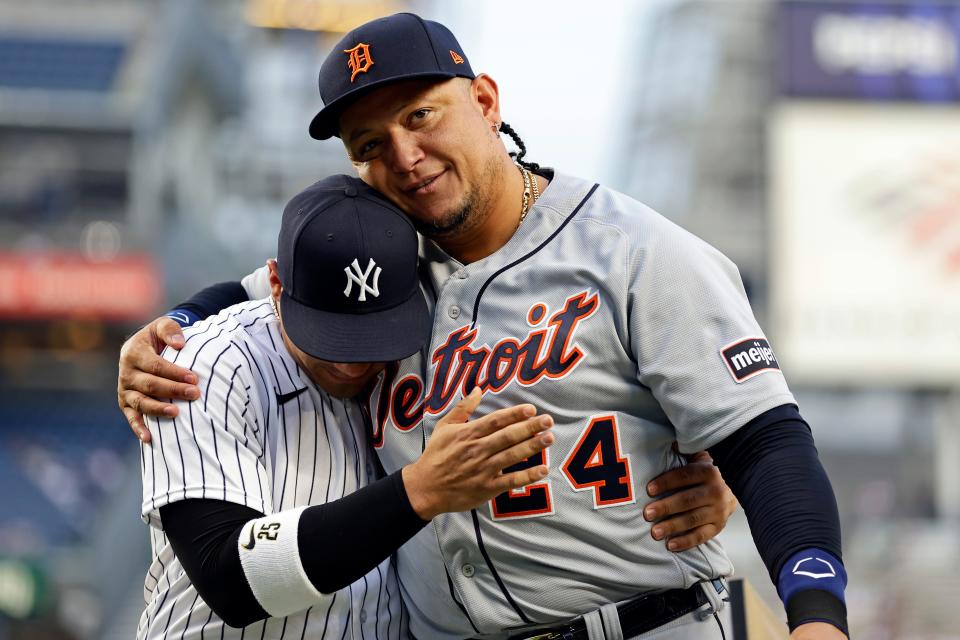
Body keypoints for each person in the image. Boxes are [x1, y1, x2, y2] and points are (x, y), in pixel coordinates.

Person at [119, 13, 847, 640]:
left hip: (647, 620)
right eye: (369, 145)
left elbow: (766, 441)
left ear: (486, 101)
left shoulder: (635, 251)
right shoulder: (378, 259)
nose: (403, 157)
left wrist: (815, 615)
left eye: (421, 116)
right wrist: (173, 323)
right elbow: (264, 286)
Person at [136, 174, 558, 639]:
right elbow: (230, 580)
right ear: (275, 285)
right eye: (332, 337)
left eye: (374, 334)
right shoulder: (205, 363)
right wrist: (420, 491)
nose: (354, 363)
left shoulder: (415, 336)